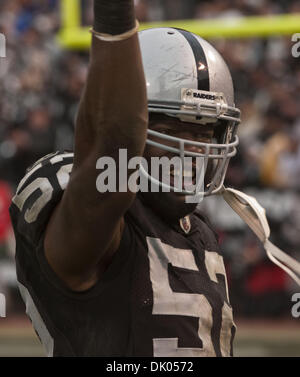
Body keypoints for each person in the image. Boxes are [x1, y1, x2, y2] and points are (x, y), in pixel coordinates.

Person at [9, 0, 244, 357]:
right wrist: (115, 17)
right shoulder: (105, 221)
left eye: (205, 133)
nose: (194, 149)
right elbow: (114, 147)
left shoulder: (198, 231)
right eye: (172, 129)